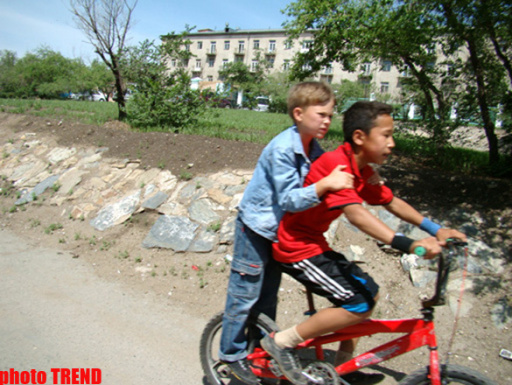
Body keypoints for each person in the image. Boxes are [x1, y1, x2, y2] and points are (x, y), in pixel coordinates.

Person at [261, 101, 467, 385]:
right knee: (359, 304)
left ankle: (343, 368)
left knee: (371, 293)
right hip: (296, 248)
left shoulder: (362, 170)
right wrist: (413, 246)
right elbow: (357, 216)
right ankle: (283, 341)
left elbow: (390, 201)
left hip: (314, 244)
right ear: (359, 137)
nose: (392, 143)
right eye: (386, 134)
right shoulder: (337, 165)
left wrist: (436, 229)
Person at [218, 82, 355, 385]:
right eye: (321, 114)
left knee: (267, 301)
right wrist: (326, 184)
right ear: (298, 113)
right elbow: (290, 198)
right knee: (244, 295)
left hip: (278, 234)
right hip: (255, 230)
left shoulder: (313, 148)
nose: (327, 121)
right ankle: (230, 355)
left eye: (330, 115)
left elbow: (323, 178)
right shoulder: (282, 148)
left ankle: (260, 354)